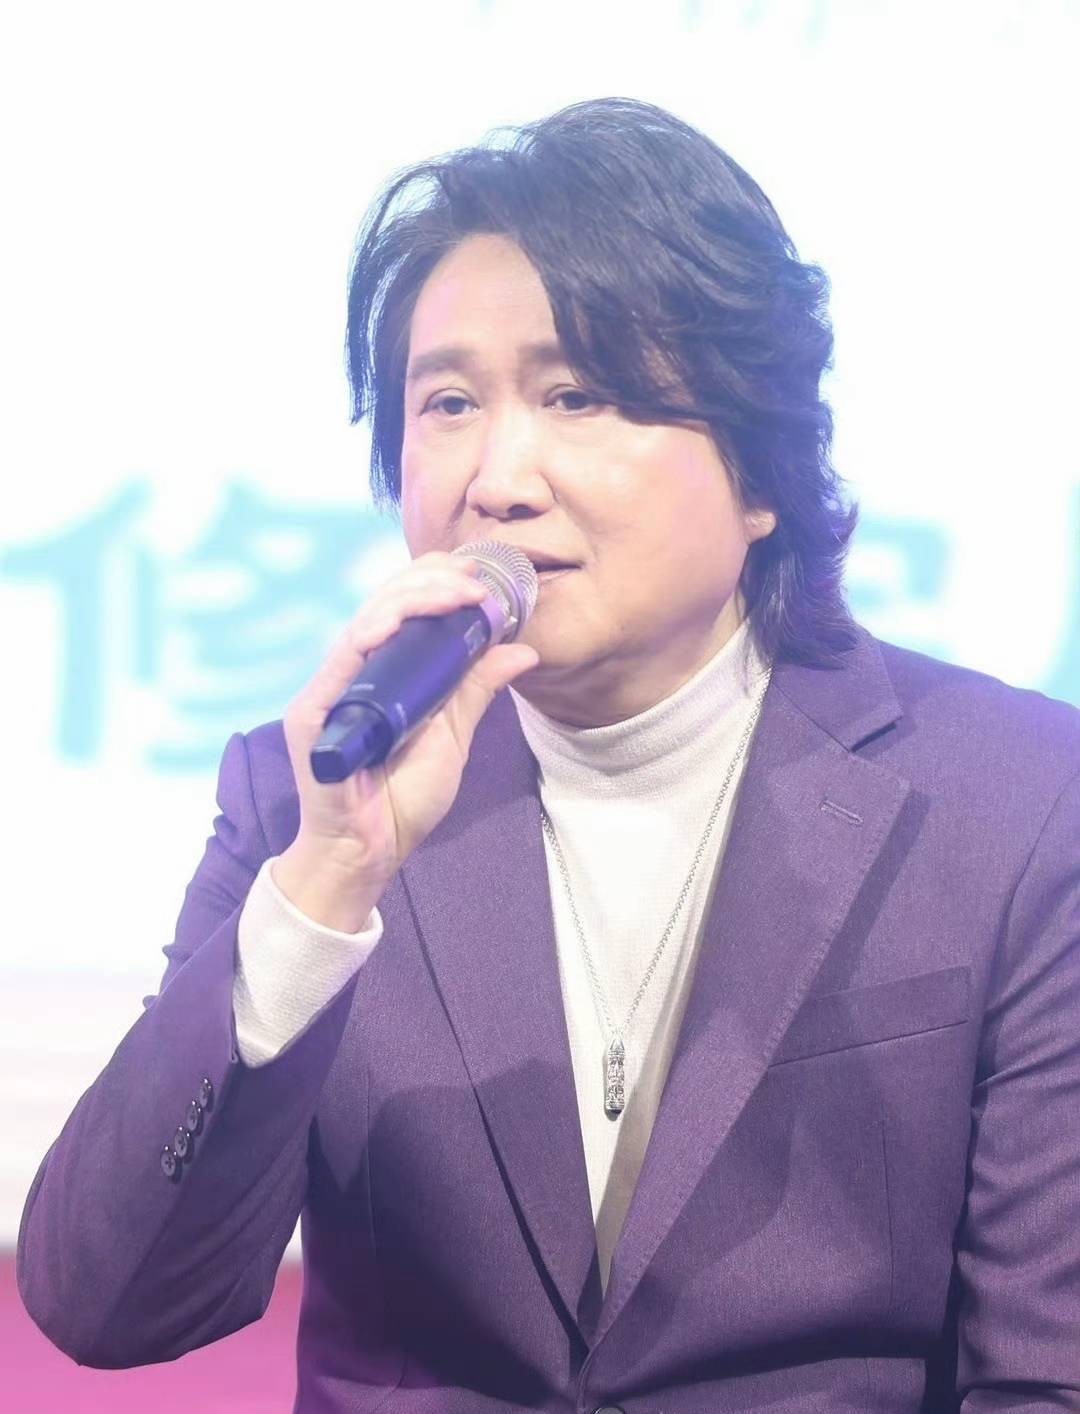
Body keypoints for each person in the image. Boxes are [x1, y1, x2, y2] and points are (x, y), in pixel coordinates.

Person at [17, 97, 1080, 1412]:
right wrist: (323, 890)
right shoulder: (313, 792)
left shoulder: (1020, 805)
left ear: (760, 474)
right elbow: (110, 1304)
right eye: (449, 402)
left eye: (577, 395)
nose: (500, 478)